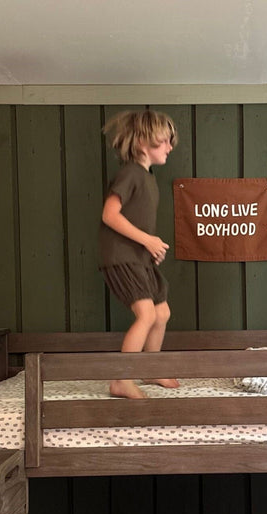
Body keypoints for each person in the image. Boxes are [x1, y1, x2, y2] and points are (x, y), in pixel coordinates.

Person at [99, 110, 179, 398]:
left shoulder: (147, 177)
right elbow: (110, 215)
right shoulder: (130, 173)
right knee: (145, 315)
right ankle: (121, 379)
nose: (170, 147)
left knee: (161, 312)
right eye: (166, 142)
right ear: (145, 141)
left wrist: (149, 248)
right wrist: (147, 240)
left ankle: (149, 367)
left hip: (139, 258)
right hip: (121, 258)